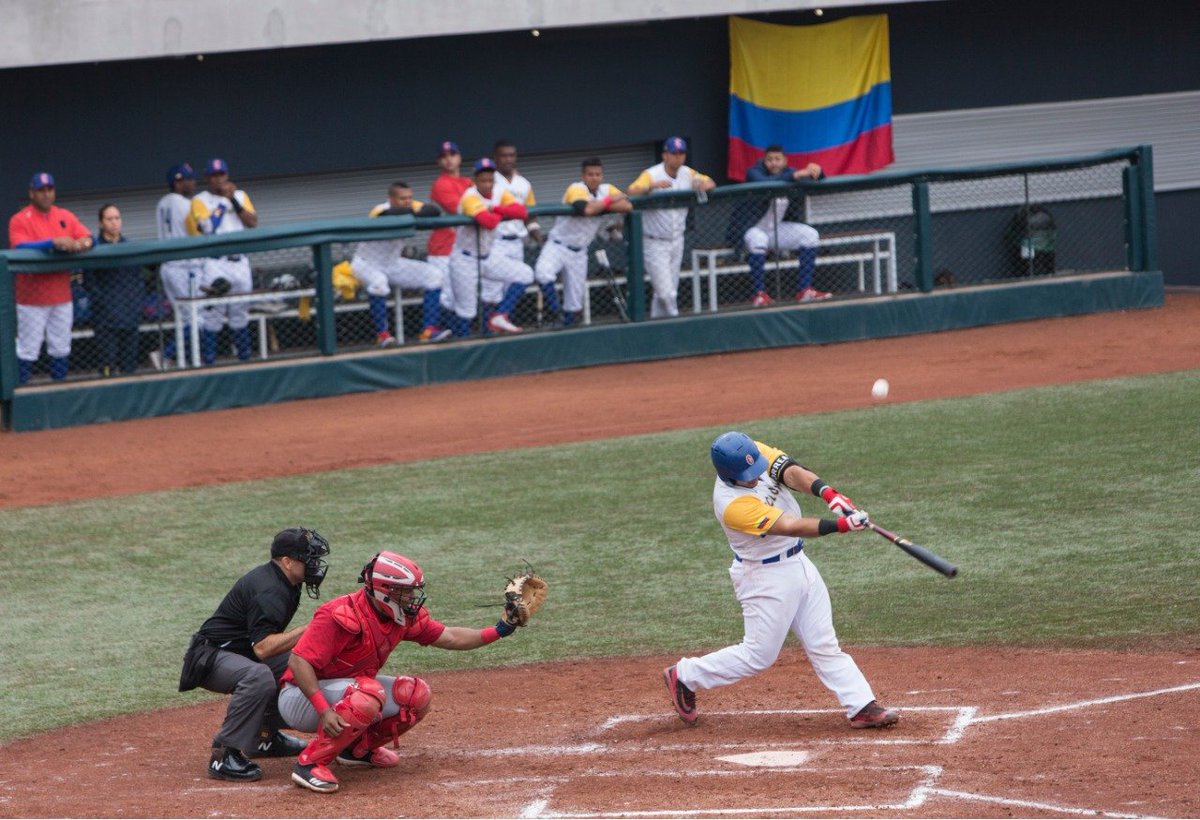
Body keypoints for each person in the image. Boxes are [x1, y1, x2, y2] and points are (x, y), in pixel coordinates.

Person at [663, 432, 899, 732]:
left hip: (799, 564)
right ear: (729, 476)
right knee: (758, 655)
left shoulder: (750, 452)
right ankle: (685, 675)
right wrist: (840, 525)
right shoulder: (731, 505)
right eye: (747, 476)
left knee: (823, 642)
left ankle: (862, 706)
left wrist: (830, 494)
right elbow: (788, 526)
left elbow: (790, 471)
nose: (756, 476)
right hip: (764, 578)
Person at [278, 550, 533, 794]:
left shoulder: (401, 617)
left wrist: (501, 628)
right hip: (300, 698)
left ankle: (355, 750)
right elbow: (299, 662)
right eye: (405, 592)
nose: (412, 598)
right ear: (385, 591)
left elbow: (451, 637)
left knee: (414, 694)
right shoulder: (340, 614)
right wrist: (323, 710)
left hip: (344, 692)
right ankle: (309, 764)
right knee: (368, 693)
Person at [179, 527, 331, 782]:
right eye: (309, 559)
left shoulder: (287, 581)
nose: (315, 565)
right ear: (287, 561)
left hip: (239, 652)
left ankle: (264, 738)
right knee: (258, 676)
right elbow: (263, 648)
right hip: (210, 657)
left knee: (301, 663)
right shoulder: (269, 589)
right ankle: (224, 754)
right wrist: (310, 628)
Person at [7, 172, 93, 384]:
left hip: (61, 294)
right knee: (28, 349)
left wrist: (84, 243)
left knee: (61, 346)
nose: (46, 194)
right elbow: (20, 246)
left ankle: (59, 390)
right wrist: (52, 242)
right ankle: (20, 394)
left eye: (49, 190)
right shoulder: (20, 219)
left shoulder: (64, 215)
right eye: (41, 190)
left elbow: (88, 236)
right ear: (31, 193)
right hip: (31, 298)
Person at [346, 181, 451, 346]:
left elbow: (434, 211)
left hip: (392, 263)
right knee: (379, 283)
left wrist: (413, 211)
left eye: (409, 197)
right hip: (366, 263)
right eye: (402, 198)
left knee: (434, 275)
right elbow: (389, 215)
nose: (408, 201)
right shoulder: (380, 209)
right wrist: (415, 213)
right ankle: (382, 335)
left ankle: (428, 331)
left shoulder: (410, 206)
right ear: (391, 198)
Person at [533, 157, 632, 326]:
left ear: (602, 175)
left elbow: (627, 206)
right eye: (590, 174)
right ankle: (556, 313)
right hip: (558, 245)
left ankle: (568, 325)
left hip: (580, 252)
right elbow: (586, 209)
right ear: (583, 176)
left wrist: (600, 205)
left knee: (574, 302)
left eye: (598, 174)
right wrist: (607, 202)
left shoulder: (606, 188)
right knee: (542, 274)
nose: (594, 177)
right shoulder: (576, 188)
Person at [726, 145, 830, 305]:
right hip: (752, 229)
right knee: (759, 239)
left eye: (777, 159)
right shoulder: (754, 172)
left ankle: (805, 290)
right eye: (769, 160)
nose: (773, 163)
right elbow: (764, 182)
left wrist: (817, 170)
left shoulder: (790, 173)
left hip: (775, 230)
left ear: (785, 161)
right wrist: (796, 175)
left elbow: (817, 179)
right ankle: (759, 294)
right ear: (764, 161)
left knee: (810, 235)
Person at [627, 137, 715, 319]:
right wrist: (651, 187)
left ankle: (658, 329)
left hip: (677, 240)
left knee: (667, 292)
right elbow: (631, 191)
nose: (678, 157)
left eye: (681, 153)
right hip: (654, 241)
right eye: (674, 154)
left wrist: (703, 185)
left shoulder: (687, 173)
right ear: (664, 155)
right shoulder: (652, 174)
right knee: (666, 293)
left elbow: (710, 183)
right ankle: (676, 321)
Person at [446, 157, 533, 337]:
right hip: (465, 259)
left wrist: (496, 208)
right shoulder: (470, 196)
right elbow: (489, 222)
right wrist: (499, 211)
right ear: (475, 180)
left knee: (525, 274)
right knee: (467, 310)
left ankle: (500, 315)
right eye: (483, 180)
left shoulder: (499, 191)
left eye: (490, 179)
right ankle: (463, 344)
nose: (487, 184)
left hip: (488, 256)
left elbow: (521, 211)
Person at [189, 158, 258, 364]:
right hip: (216, 264)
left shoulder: (240, 195)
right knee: (213, 314)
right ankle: (209, 362)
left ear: (227, 175)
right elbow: (208, 228)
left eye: (221, 175)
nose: (219, 180)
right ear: (207, 178)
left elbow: (252, 222)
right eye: (214, 176)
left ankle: (244, 360)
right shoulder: (200, 199)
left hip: (240, 262)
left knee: (240, 313)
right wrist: (222, 203)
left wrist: (233, 201)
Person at [484, 139, 543, 324]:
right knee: (492, 288)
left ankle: (502, 321)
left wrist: (537, 235)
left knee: (514, 284)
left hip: (516, 241)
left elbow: (530, 214)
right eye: (503, 155)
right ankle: (488, 328)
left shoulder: (524, 183)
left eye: (511, 155)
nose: (508, 159)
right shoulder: (488, 181)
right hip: (495, 241)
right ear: (495, 158)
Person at [85, 204, 145, 376]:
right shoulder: (94, 249)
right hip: (105, 319)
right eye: (109, 219)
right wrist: (103, 304)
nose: (114, 223)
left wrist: (136, 303)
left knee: (129, 367)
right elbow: (89, 282)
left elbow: (138, 279)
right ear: (100, 223)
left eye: (117, 218)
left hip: (130, 315)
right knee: (107, 365)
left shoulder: (130, 247)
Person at [152, 162, 201, 369]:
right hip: (184, 268)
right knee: (197, 320)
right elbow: (197, 232)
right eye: (188, 179)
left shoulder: (162, 203)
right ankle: (166, 354)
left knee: (184, 319)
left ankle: (183, 360)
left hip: (168, 267)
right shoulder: (184, 204)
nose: (192, 183)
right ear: (177, 182)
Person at [426, 141, 472, 332]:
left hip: (462, 248)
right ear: (439, 162)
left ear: (459, 157)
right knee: (446, 296)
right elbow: (460, 209)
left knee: (461, 295)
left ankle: (459, 334)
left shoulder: (467, 182)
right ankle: (434, 330)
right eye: (444, 156)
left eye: (452, 154)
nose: (449, 159)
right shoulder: (441, 184)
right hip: (442, 249)